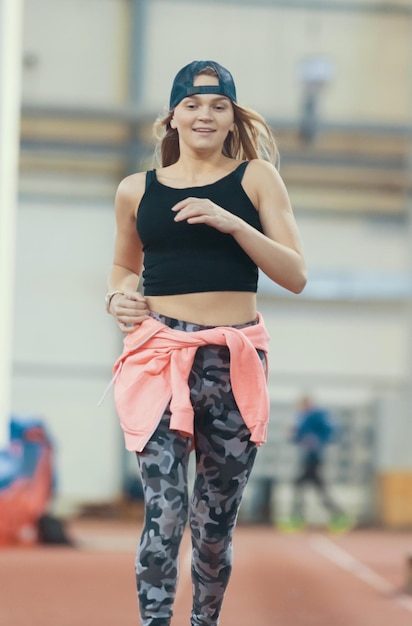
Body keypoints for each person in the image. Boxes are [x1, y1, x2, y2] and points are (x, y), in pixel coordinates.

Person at [105, 60, 306, 626]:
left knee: (213, 528)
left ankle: (205, 621)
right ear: (173, 116)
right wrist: (117, 296)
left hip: (233, 358)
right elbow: (124, 266)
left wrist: (234, 223)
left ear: (232, 116)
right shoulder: (134, 190)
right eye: (192, 104)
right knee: (164, 514)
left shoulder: (256, 179)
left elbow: (295, 274)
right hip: (160, 355)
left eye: (219, 105)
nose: (205, 115)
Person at [280, 395, 354, 534]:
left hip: (314, 458)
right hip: (308, 458)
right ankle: (337, 516)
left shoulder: (317, 416)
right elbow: (299, 436)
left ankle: (299, 518)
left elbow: (331, 431)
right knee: (310, 487)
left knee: (305, 486)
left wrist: (317, 442)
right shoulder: (305, 417)